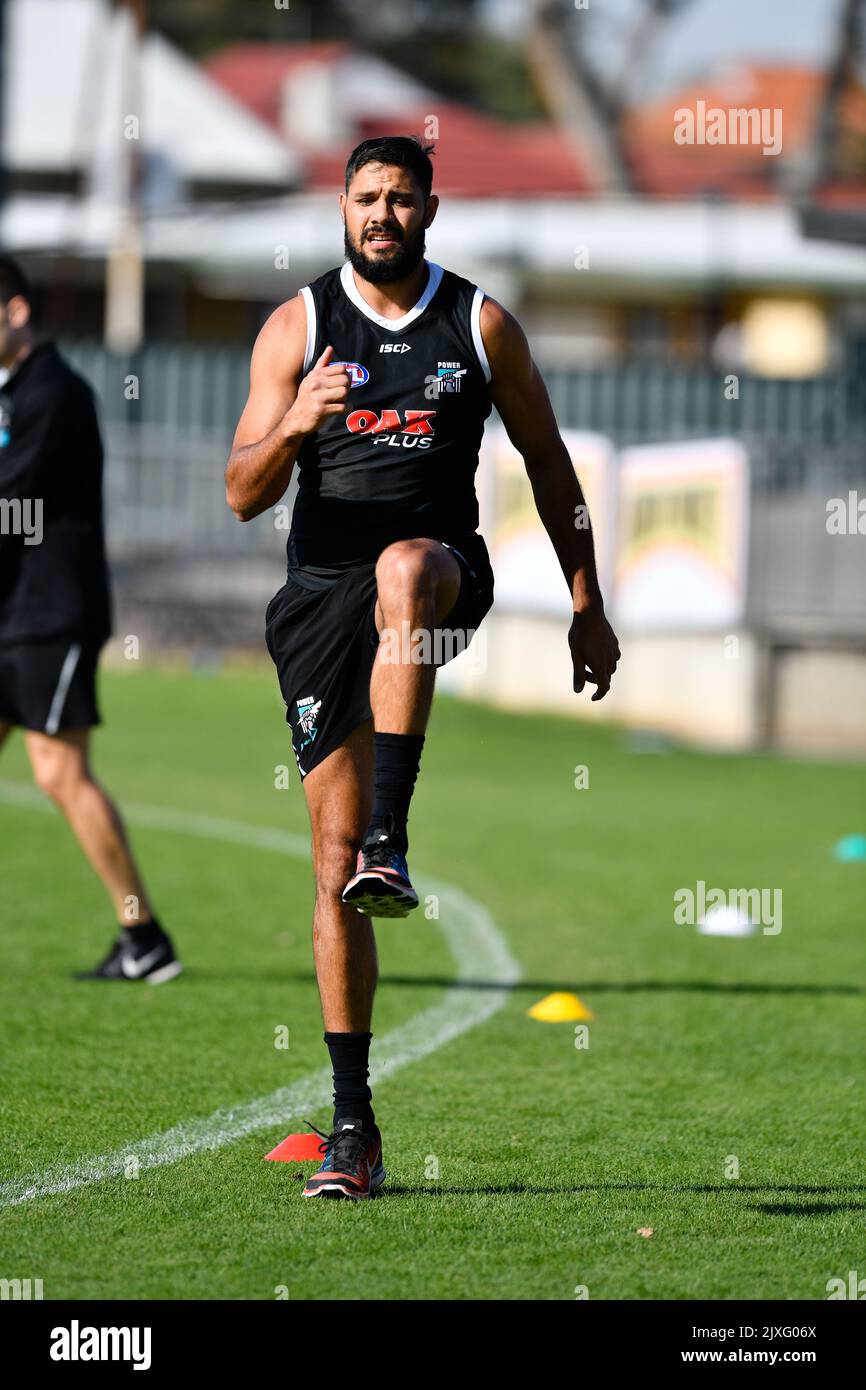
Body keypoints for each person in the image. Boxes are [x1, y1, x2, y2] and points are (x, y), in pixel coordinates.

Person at [226, 136, 619, 1199]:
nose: (383, 214)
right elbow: (240, 491)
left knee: (405, 566)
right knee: (329, 866)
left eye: (401, 198)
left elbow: (548, 463)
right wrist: (298, 421)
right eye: (366, 197)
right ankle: (353, 1126)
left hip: (440, 571)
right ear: (341, 207)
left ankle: (395, 838)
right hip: (316, 602)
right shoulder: (296, 327)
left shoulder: (477, 323)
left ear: (431, 209)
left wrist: (586, 602)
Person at [0, 256, 181, 983]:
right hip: (11, 613)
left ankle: (143, 934)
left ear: (15, 312)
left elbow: (12, 508)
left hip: (51, 614)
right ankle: (144, 938)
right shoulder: (12, 393)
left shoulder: (54, 393)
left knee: (60, 773)